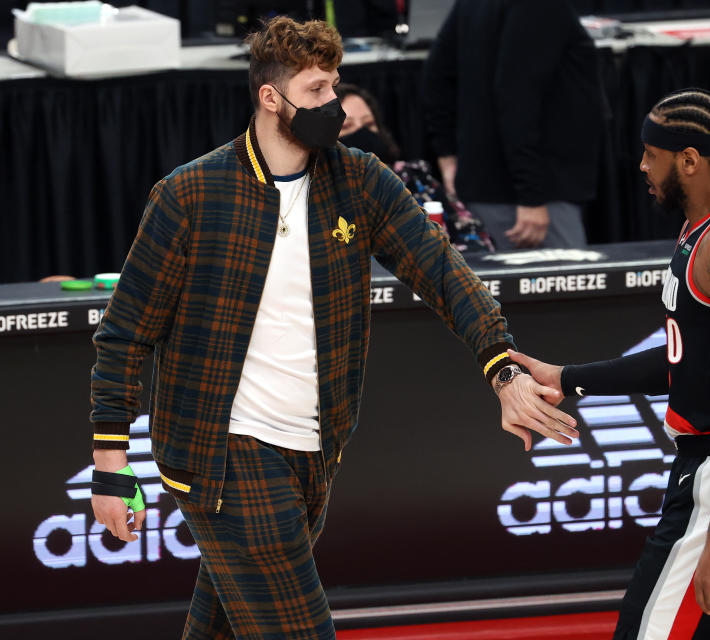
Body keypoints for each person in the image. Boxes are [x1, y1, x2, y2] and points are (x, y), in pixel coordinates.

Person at [88, 16, 579, 639]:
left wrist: (501, 365)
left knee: (222, 627)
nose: (336, 105)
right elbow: (125, 333)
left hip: (315, 454)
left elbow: (443, 272)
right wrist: (110, 464)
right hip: (222, 455)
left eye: (335, 86)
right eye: (318, 90)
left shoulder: (360, 180)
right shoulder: (190, 195)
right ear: (272, 98)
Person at [510, 88, 710, 639]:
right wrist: (568, 379)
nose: (643, 165)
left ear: (690, 160)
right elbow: (687, 362)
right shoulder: (704, 230)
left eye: (652, 154)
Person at [421, 0, 605, 250]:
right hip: (534, 200)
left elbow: (436, 75)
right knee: (563, 285)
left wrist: (447, 156)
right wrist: (531, 196)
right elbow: (517, 96)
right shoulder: (539, 6)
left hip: (493, 187)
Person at [336, 82, 495, 253]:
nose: (363, 134)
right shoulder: (315, 191)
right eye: (346, 127)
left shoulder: (415, 178)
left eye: (368, 125)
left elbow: (477, 237)